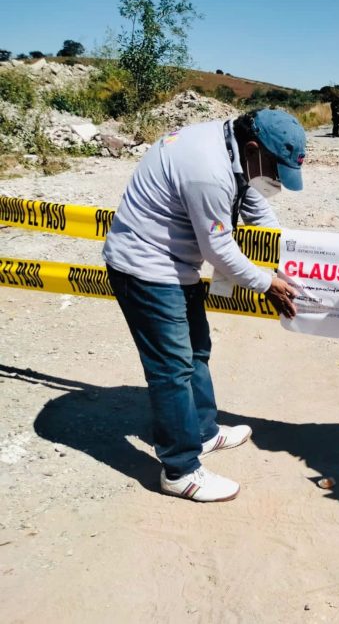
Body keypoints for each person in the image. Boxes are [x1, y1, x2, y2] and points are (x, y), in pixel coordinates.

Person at [103, 109, 305, 502]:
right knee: (171, 370)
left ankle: (203, 430)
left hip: (178, 265)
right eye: (276, 169)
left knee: (197, 350)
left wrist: (284, 253)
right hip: (147, 270)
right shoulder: (207, 169)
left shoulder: (232, 149)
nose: (278, 179)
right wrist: (269, 283)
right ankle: (180, 469)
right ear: (253, 148)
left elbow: (254, 203)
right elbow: (219, 248)